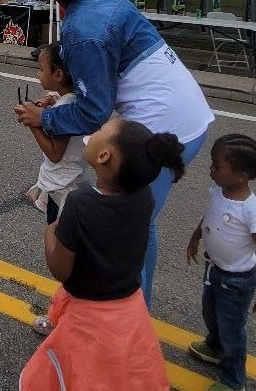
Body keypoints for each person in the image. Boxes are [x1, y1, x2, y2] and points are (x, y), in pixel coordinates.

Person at [14, 0, 213, 309]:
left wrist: (43, 120)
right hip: (188, 114)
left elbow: (94, 109)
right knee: (141, 219)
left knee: (130, 225)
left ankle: (125, 316)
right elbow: (96, 85)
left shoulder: (79, 31)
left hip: (163, 125)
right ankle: (136, 309)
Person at [19, 118, 180, 391]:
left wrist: (50, 231)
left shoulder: (80, 203)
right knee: (119, 373)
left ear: (104, 156)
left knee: (81, 373)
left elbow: (60, 269)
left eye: (101, 132)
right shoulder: (144, 197)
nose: (93, 133)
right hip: (128, 309)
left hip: (88, 314)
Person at [187, 134, 256, 391]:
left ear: (241, 176)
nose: (211, 169)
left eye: (217, 166)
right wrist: (195, 238)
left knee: (232, 330)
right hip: (214, 269)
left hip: (236, 281)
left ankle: (233, 380)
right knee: (210, 313)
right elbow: (209, 216)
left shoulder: (251, 211)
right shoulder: (219, 190)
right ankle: (215, 347)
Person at [21, 44, 91, 336]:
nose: (38, 75)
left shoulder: (65, 108)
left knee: (64, 261)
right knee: (74, 258)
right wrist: (50, 101)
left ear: (58, 73)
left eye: (41, 70)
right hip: (69, 185)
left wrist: (33, 123)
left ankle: (65, 319)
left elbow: (54, 154)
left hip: (62, 191)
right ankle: (65, 314)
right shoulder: (74, 100)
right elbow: (61, 101)